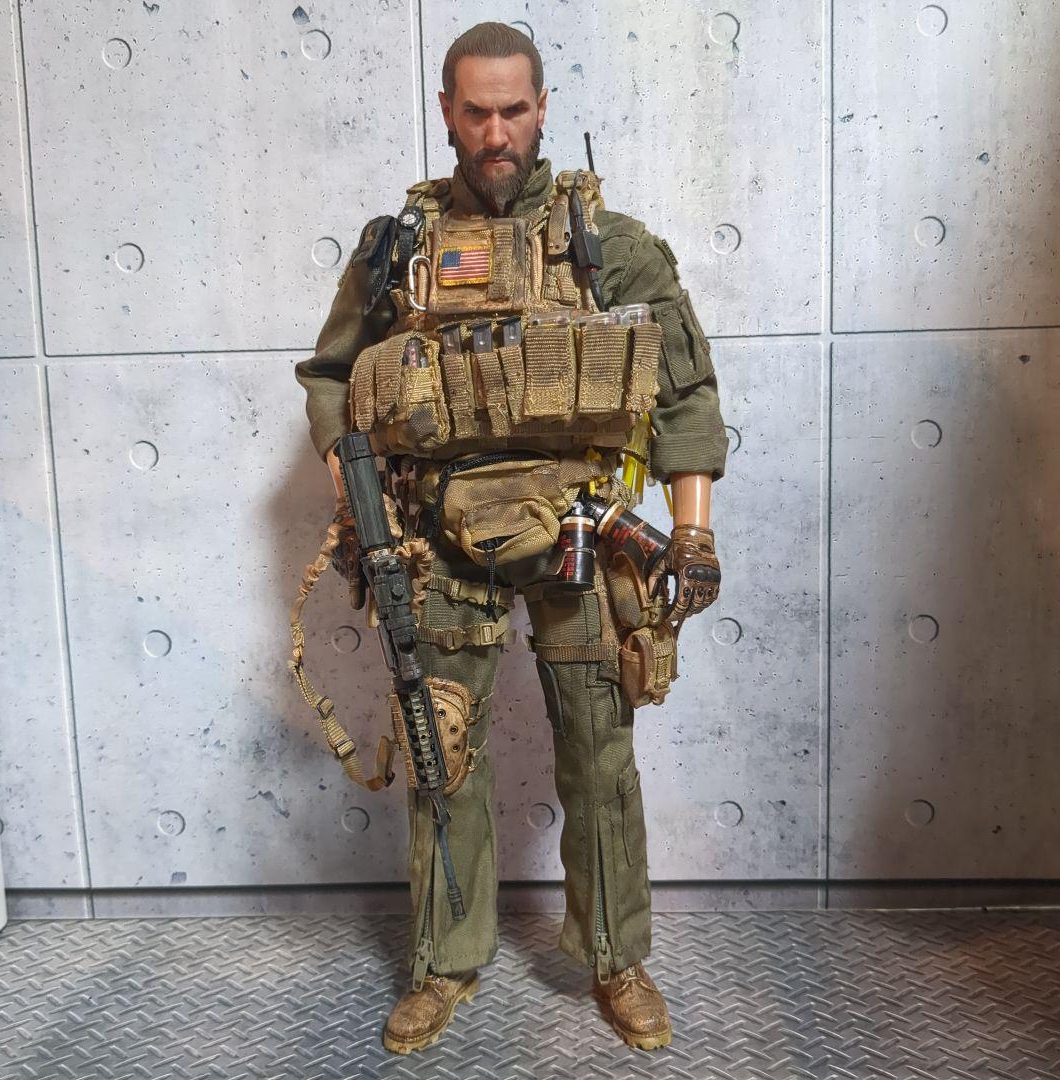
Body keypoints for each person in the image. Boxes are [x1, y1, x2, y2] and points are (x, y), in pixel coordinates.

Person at [295, 21, 727, 1055]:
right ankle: (445, 965)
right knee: (442, 752)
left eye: (515, 110)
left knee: (599, 755)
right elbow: (333, 382)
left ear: (543, 109)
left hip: (583, 527)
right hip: (440, 542)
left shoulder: (609, 244)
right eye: (478, 111)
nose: (497, 133)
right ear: (447, 111)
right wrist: (359, 506)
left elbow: (685, 393)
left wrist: (693, 536)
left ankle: (616, 959)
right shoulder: (397, 250)